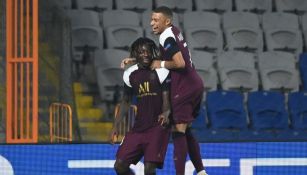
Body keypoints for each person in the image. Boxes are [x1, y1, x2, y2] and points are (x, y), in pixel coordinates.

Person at [121, 6, 208, 175]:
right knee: (185, 128)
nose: (152, 23)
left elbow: (179, 63)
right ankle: (201, 170)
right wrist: (134, 59)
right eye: (151, 19)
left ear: (166, 21)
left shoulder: (166, 36)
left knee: (178, 130)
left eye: (156, 20)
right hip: (194, 84)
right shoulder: (173, 32)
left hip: (184, 86)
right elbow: (166, 56)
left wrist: (159, 64)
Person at [109, 37, 171, 175]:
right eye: (141, 52)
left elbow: (167, 95)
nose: (146, 54)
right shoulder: (129, 74)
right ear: (135, 54)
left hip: (157, 126)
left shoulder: (160, 70)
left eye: (148, 51)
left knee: (149, 169)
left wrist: (166, 111)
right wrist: (115, 126)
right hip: (138, 128)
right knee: (119, 166)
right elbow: (125, 101)